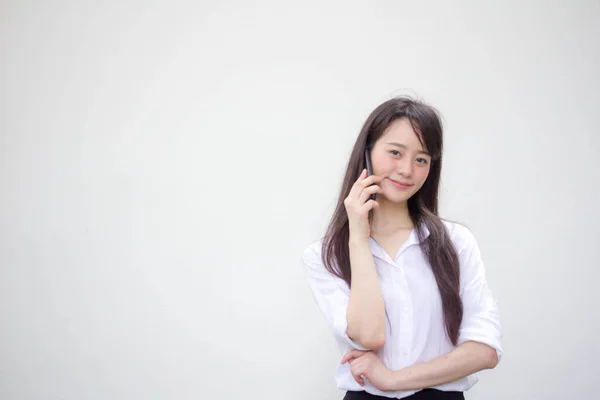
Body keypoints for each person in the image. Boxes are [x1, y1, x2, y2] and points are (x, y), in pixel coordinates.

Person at [302, 96, 502, 400]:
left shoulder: (455, 242)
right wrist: (358, 237)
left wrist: (394, 380)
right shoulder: (324, 255)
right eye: (395, 152)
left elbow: (484, 350)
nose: (407, 169)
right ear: (366, 153)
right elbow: (369, 335)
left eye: (421, 159)